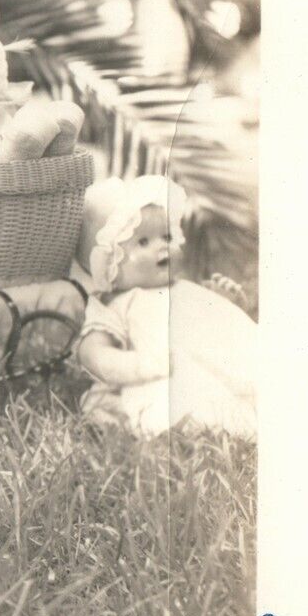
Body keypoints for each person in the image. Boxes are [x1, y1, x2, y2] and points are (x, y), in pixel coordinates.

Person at [73, 175, 256, 437]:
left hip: (219, 362)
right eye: (144, 242)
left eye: (167, 236)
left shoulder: (184, 288)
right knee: (192, 399)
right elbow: (94, 356)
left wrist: (224, 303)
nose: (163, 247)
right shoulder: (116, 306)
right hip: (160, 374)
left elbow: (217, 326)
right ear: (108, 263)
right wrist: (141, 365)